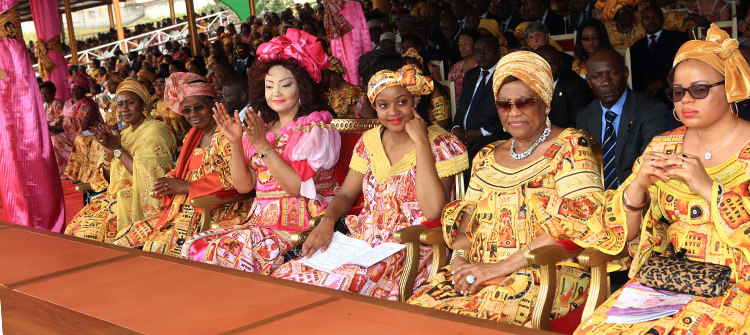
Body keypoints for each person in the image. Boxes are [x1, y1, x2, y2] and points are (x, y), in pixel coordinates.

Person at [575, 25, 750, 335]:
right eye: (678, 92)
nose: (686, 100)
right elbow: (623, 235)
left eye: (699, 89)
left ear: (731, 87)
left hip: (738, 285)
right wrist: (638, 186)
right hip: (667, 280)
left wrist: (710, 190)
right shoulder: (662, 146)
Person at [407, 51, 602, 325]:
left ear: (545, 102)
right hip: (480, 268)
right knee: (419, 311)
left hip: (545, 270)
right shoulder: (486, 155)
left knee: (478, 318)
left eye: (524, 102)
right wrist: (460, 261)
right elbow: (466, 227)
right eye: (504, 104)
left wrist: (499, 269)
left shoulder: (570, 145)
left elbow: (579, 218)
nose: (514, 112)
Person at [272, 65, 469, 300]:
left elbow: (434, 210)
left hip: (411, 244)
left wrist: (421, 143)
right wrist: (327, 222)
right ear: (374, 107)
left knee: (340, 281)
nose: (393, 112)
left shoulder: (441, 144)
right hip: (363, 239)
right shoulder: (369, 141)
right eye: (384, 105)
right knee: (292, 273)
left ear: (415, 100)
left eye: (402, 102)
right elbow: (345, 195)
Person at [181, 29, 341, 275]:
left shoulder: (314, 129)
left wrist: (264, 147)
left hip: (302, 221)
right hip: (261, 221)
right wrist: (236, 142)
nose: (275, 93)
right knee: (197, 245)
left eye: (285, 85)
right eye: (269, 86)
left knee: (231, 252)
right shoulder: (261, 129)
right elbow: (244, 186)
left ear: (302, 88)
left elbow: (295, 188)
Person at [114, 73, 251, 256]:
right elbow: (183, 170)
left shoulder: (227, 133)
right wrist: (169, 180)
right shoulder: (193, 136)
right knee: (125, 238)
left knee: (155, 248)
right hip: (184, 206)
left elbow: (235, 179)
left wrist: (188, 186)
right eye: (186, 110)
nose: (193, 114)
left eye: (199, 107)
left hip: (215, 208)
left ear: (213, 104)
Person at [65, 79, 176, 242]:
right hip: (116, 199)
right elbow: (110, 180)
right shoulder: (124, 134)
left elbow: (147, 176)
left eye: (130, 103)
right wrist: (110, 153)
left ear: (144, 105)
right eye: (121, 104)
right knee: (74, 231)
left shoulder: (156, 131)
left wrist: (118, 150)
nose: (124, 109)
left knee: (89, 237)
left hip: (140, 203)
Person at [576, 47, 669, 190]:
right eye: (597, 76)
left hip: (638, 198)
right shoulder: (585, 115)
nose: (606, 82)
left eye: (613, 73)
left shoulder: (652, 112)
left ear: (625, 73)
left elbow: (653, 170)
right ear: (588, 81)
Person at [452, 35, 509, 172]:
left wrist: (480, 132)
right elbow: (462, 108)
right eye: (478, 51)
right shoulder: (471, 75)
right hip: (464, 135)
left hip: (492, 135)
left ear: (498, 51)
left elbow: (509, 115)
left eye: (487, 50)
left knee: (472, 159)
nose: (482, 55)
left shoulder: (505, 77)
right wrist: (456, 127)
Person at [630, 4, 689, 107]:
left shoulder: (677, 38)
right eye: (647, 18)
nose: (651, 20)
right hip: (647, 101)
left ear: (662, 19)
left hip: (674, 95)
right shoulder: (636, 47)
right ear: (642, 22)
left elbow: (685, 63)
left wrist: (663, 80)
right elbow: (635, 77)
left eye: (655, 17)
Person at [50, 72, 101, 175]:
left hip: (88, 131)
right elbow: (62, 115)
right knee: (50, 135)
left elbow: (81, 124)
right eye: (72, 90)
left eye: (77, 89)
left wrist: (62, 122)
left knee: (56, 139)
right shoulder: (69, 102)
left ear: (83, 90)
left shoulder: (87, 104)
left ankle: (74, 168)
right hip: (71, 130)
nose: (74, 92)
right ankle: (63, 169)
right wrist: (54, 124)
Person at [537, 45, 593, 128]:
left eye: (552, 65)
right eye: (542, 65)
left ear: (560, 63)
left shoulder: (577, 87)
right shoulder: (530, 84)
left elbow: (577, 125)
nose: (547, 70)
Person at [448, 29, 480, 107]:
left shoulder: (482, 68)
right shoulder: (455, 68)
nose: (462, 47)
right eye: (460, 44)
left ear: (476, 44)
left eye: (466, 44)